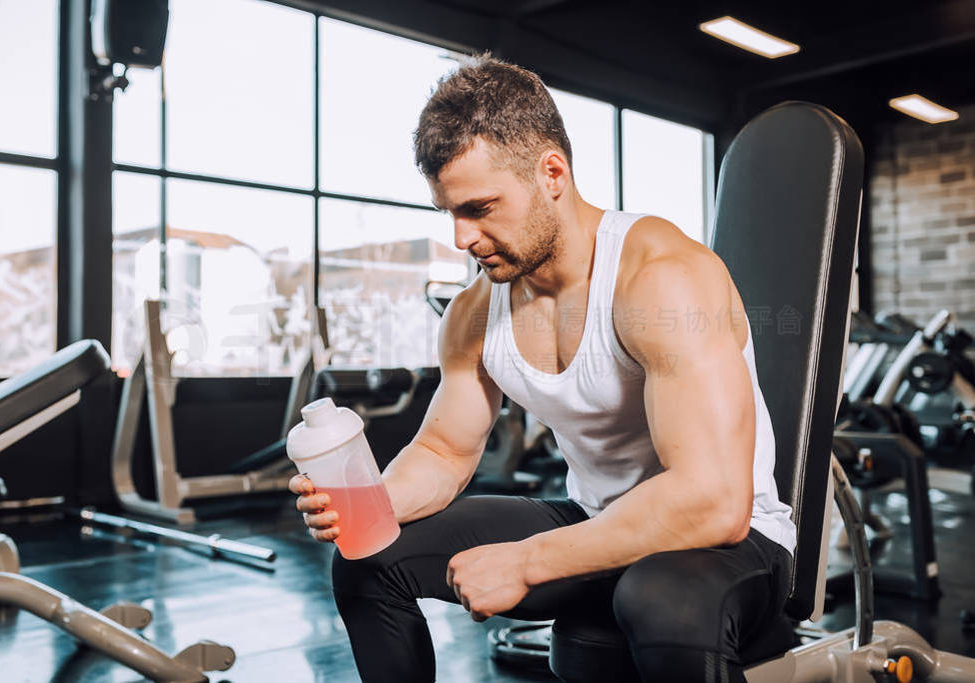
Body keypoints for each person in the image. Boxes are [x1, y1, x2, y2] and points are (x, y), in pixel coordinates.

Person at [290, 54, 795, 683]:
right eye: (449, 211)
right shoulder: (475, 312)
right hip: (597, 520)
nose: (460, 238)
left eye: (479, 207)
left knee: (659, 598)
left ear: (551, 172)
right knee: (369, 559)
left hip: (734, 543)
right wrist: (370, 506)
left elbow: (714, 502)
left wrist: (530, 562)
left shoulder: (660, 279)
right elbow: (446, 452)